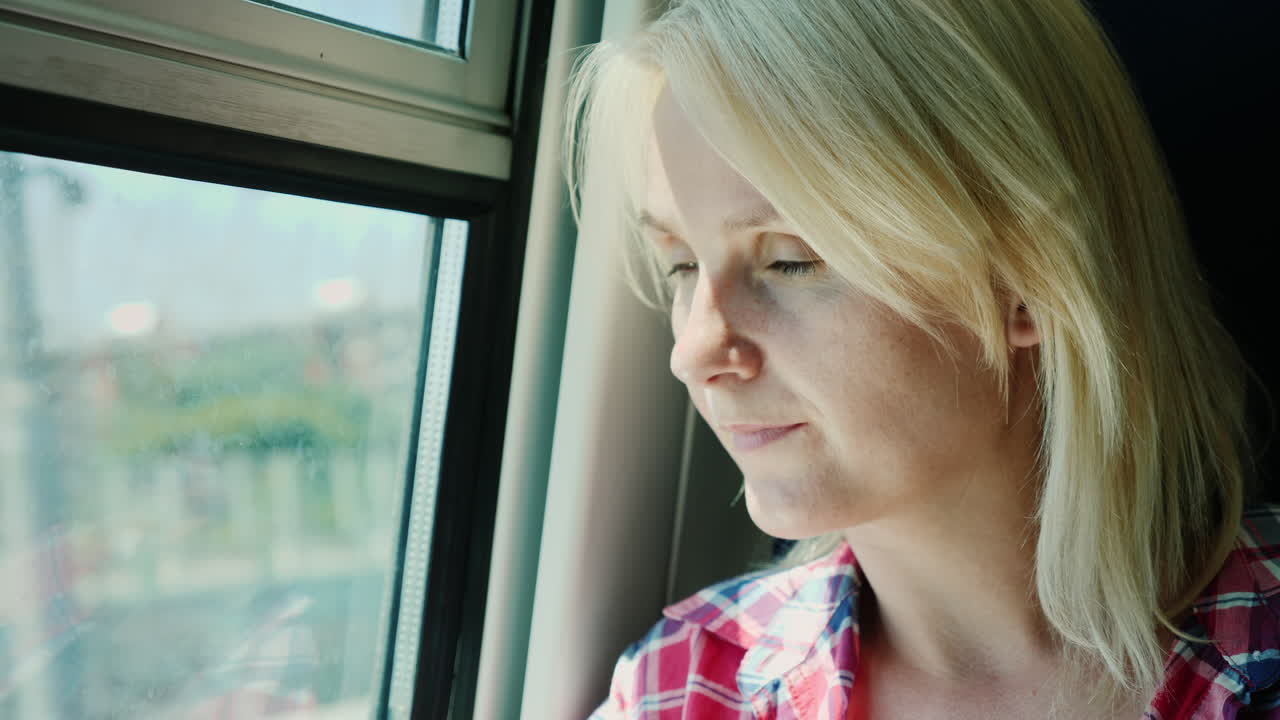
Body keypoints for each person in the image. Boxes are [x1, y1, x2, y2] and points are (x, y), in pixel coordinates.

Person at [567, 0, 1278, 718]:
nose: (695, 353)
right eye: (682, 266)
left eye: (791, 262)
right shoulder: (677, 690)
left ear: (1025, 278)